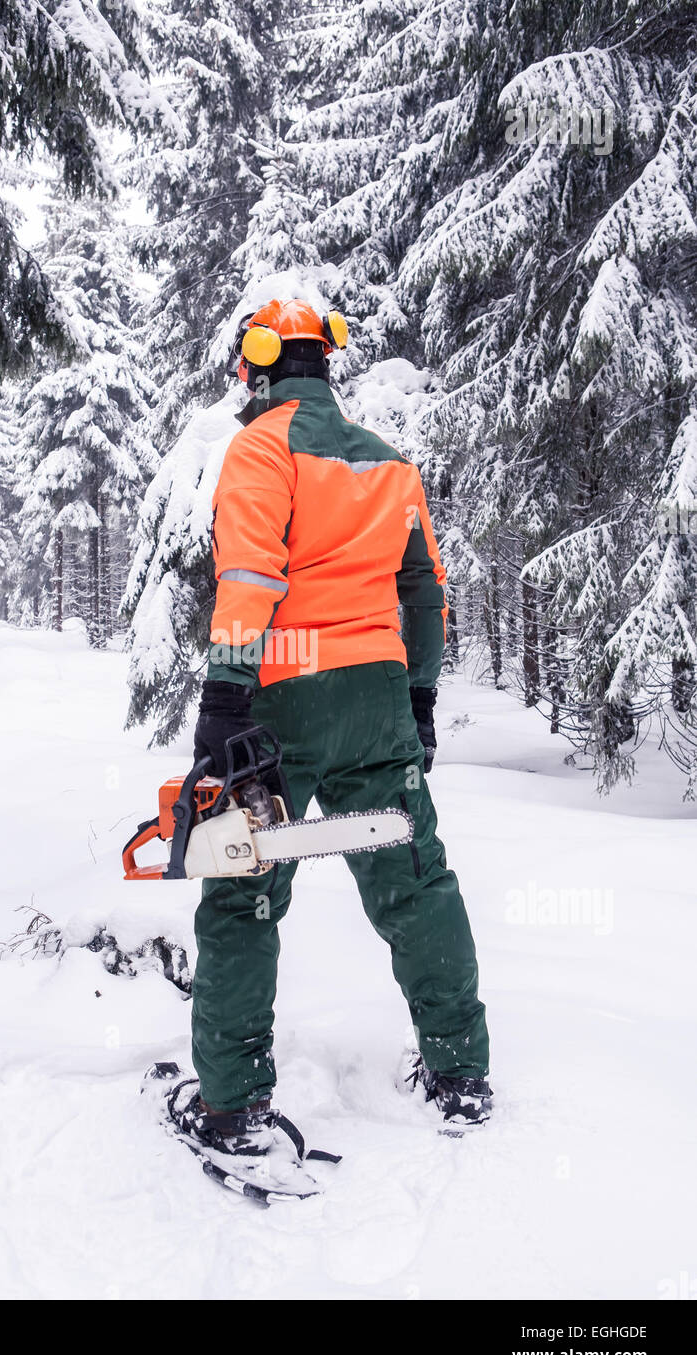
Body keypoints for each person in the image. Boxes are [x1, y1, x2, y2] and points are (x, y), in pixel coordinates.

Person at [178, 298, 490, 1163]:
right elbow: (425, 594)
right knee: (416, 882)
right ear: (328, 366)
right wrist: (419, 700)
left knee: (241, 889)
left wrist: (224, 700)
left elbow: (247, 579)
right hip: (378, 697)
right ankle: (461, 1073)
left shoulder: (258, 448)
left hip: (281, 698)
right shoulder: (390, 465)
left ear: (263, 368)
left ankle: (233, 1102)